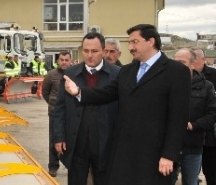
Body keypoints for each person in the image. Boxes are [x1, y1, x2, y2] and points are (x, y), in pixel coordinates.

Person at [62, 24, 191, 185]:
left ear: (150, 41)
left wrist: (169, 155)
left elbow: (178, 118)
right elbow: (107, 93)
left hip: (155, 156)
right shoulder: (127, 71)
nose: (130, 47)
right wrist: (78, 92)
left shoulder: (176, 72)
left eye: (134, 42)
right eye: (129, 43)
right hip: (125, 154)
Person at [53, 33, 120, 185]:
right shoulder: (70, 74)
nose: (89, 55)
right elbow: (60, 108)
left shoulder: (117, 74)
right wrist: (59, 136)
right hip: (77, 141)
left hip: (105, 142)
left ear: (103, 51)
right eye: (86, 50)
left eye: (94, 51)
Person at [171, 48, 216, 185]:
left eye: (182, 62)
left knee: (191, 182)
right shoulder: (166, 84)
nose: (178, 65)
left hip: (193, 146)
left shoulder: (206, 87)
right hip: (169, 147)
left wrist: (192, 125)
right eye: (175, 61)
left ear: (192, 64)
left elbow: (212, 115)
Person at [193, 48, 216, 185]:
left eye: (194, 58)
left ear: (203, 60)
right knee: (191, 174)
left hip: (211, 137)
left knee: (212, 173)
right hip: (191, 135)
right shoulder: (183, 76)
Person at [42, 50, 72, 177]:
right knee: (54, 139)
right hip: (54, 113)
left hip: (71, 113)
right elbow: (45, 92)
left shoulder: (74, 74)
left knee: (71, 139)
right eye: (62, 60)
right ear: (57, 61)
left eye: (66, 60)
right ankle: (53, 166)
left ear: (70, 61)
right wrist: (53, 104)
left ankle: (70, 165)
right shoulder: (51, 75)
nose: (64, 62)